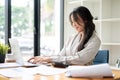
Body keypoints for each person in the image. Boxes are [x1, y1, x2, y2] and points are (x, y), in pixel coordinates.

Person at [28, 6, 101, 65]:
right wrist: (44, 58)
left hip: (84, 74)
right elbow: (61, 55)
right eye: (72, 21)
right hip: (67, 71)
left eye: (76, 21)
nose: (74, 24)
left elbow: (80, 59)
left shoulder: (95, 41)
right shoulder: (72, 37)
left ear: (86, 20)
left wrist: (50, 59)